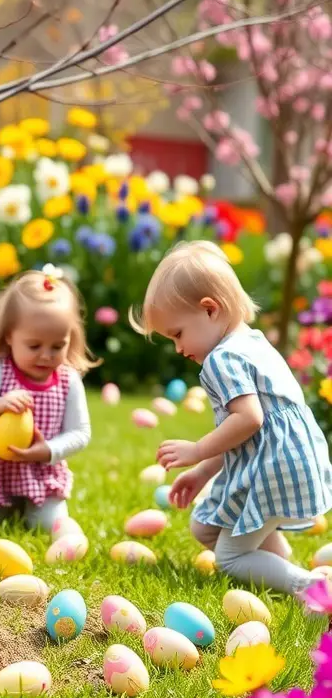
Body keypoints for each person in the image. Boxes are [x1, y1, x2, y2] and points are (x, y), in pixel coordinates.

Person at [133, 240, 332, 595]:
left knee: (229, 558)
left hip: (272, 467)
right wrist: (201, 472)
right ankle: (279, 569)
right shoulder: (253, 343)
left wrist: (196, 450)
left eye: (177, 334)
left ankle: (309, 587)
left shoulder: (221, 359)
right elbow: (241, 434)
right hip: (283, 461)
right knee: (204, 528)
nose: (178, 348)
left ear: (210, 309)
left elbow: (249, 420)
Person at [0, 266, 92, 531]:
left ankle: (29, 507)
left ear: (70, 338)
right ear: (10, 336)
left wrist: (49, 451)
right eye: (34, 346)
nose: (46, 355)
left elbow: (80, 432)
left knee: (49, 525)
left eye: (58, 346)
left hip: (41, 474)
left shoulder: (68, 380)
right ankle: (2, 504)